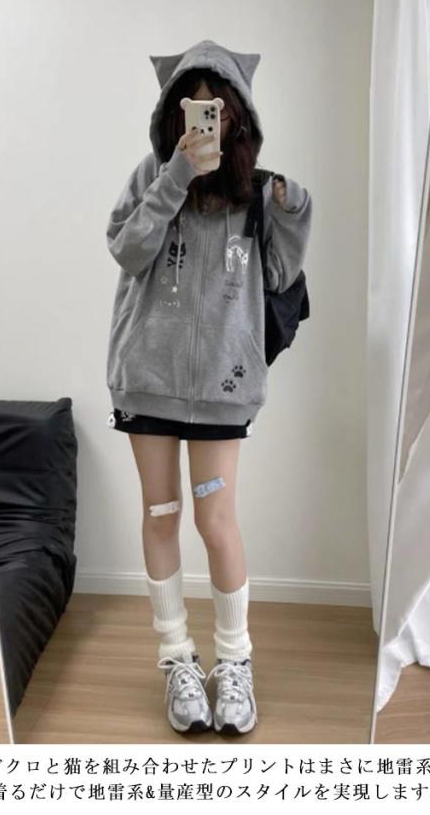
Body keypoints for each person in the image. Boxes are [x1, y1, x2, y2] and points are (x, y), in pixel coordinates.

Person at [105, 39, 312, 735]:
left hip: (223, 390)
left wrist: (294, 213)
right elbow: (128, 250)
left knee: (215, 522)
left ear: (237, 117)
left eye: (216, 111)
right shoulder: (151, 176)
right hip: (148, 384)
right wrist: (174, 176)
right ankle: (177, 660)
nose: (205, 122)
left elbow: (279, 277)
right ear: (173, 117)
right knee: (161, 514)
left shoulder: (254, 191)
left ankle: (234, 662)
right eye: (193, 110)